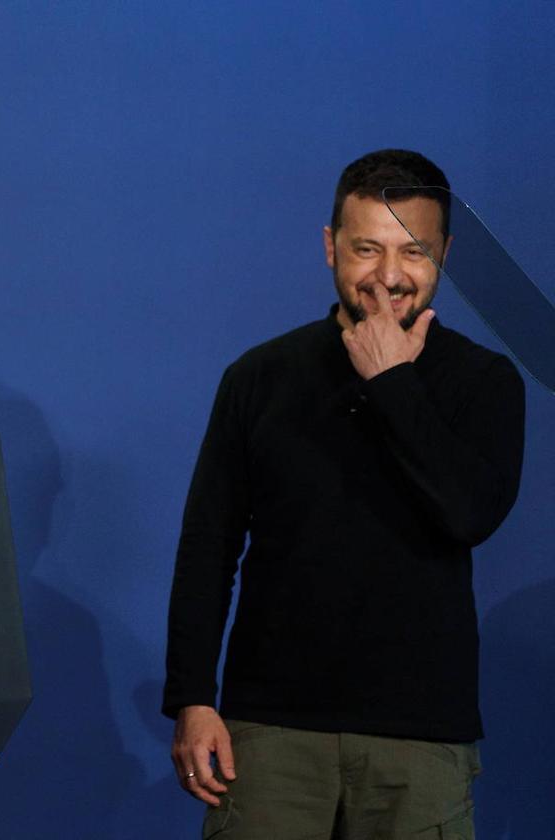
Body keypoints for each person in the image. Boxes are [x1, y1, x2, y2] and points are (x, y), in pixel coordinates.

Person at [162, 149, 525, 838]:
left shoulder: (485, 383)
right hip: (269, 733)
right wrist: (191, 697)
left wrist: (393, 385)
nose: (389, 276)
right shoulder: (260, 377)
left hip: (419, 738)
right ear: (331, 247)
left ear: (444, 252)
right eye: (367, 249)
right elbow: (208, 545)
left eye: (413, 251)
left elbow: (468, 513)